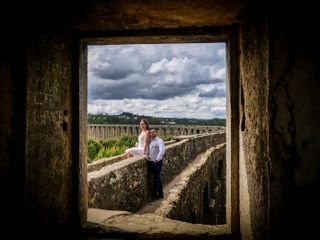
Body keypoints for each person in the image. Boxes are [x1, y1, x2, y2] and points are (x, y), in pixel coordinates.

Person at [146, 128, 165, 200]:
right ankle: (160, 194)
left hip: (156, 162)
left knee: (156, 178)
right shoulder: (150, 141)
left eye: (153, 132)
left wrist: (157, 159)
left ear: (156, 133)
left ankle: (154, 195)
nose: (152, 133)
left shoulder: (159, 141)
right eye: (150, 133)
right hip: (150, 161)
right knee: (157, 178)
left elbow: (162, 150)